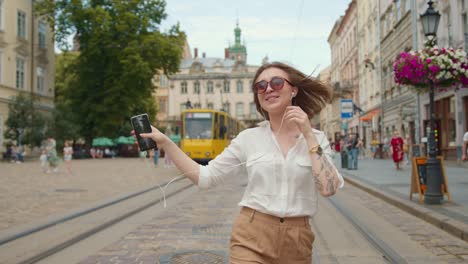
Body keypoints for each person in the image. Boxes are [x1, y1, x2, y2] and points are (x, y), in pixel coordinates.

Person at [137, 61, 344, 263]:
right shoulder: (249, 138)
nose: (268, 89)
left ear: (294, 90)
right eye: (260, 86)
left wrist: (308, 134)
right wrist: (166, 143)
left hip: (297, 240)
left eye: (277, 83)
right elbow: (206, 177)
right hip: (251, 234)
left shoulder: (316, 138)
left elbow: (328, 188)